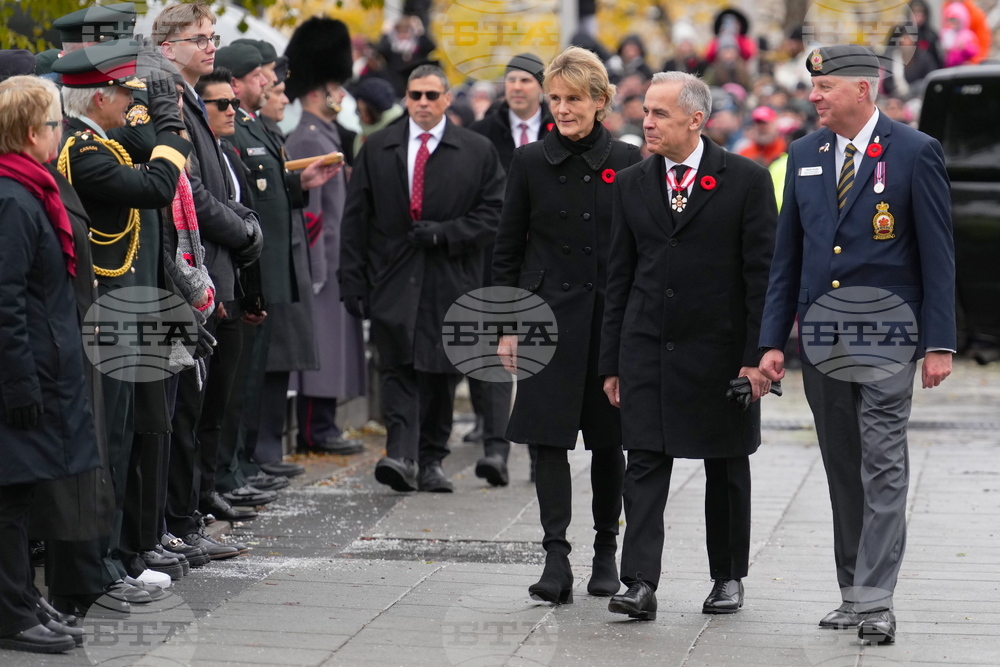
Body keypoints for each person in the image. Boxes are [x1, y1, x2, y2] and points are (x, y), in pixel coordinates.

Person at [758, 45, 955, 645]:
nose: (812, 97)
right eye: (812, 88)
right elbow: (785, 260)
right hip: (822, 338)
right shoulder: (803, 154)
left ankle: (877, 599)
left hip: (890, 335)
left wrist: (940, 342)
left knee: (884, 462)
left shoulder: (915, 152)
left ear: (862, 90)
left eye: (823, 88)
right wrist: (770, 343)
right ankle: (852, 593)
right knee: (843, 467)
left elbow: (938, 256)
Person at [599, 70, 776, 621]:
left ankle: (727, 577)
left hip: (722, 355)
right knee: (645, 465)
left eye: (659, 114)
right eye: (644, 111)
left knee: (725, 469)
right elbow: (619, 278)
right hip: (648, 348)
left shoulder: (745, 180)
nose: (646, 122)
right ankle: (639, 583)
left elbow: (761, 279)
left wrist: (758, 358)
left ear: (696, 120)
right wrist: (612, 363)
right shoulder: (631, 182)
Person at [491, 46, 641, 603]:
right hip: (543, 322)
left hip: (608, 324)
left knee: (609, 444)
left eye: (574, 98)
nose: (562, 108)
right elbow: (507, 249)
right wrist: (506, 324)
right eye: (555, 99)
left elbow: (641, 250)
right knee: (547, 441)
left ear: (600, 101)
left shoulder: (629, 161)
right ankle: (556, 557)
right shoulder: (529, 161)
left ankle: (606, 549)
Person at [340, 64, 505, 493]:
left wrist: (446, 233)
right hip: (393, 275)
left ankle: (431, 458)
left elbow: (494, 214)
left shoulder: (476, 150)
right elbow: (356, 220)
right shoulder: (378, 148)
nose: (424, 103)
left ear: (447, 99)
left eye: (433, 95)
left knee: (440, 372)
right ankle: (401, 454)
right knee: (396, 364)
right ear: (405, 99)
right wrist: (353, 280)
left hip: (450, 277)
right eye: (416, 95)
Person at [152, 1, 264, 553]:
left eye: (213, 36)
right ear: (168, 47)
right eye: (199, 37)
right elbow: (188, 193)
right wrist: (242, 231)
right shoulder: (167, 100)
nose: (211, 45)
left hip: (211, 269)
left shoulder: (190, 99)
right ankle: (179, 524)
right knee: (183, 413)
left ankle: (186, 518)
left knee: (199, 410)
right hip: (188, 275)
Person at [0, 74, 98, 656]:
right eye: (57, 124)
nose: (62, 134)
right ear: (34, 132)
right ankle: (12, 611)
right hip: (24, 374)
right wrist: (18, 382)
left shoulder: (28, 188)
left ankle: (20, 598)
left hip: (42, 366)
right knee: (9, 501)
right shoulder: (12, 199)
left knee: (23, 495)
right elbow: (5, 298)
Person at [468, 52, 554, 485]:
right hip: (495, 257)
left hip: (547, 263)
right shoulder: (481, 135)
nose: (516, 88)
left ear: (541, 87)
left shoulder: (563, 130)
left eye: (525, 80)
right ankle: (496, 450)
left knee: (538, 359)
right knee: (494, 356)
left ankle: (541, 455)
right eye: (511, 80)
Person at [284, 18, 368, 456]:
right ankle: (317, 427)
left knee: (333, 347)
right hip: (322, 262)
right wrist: (318, 268)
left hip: (336, 261)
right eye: (336, 86)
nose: (343, 94)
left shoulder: (324, 134)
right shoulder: (308, 138)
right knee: (322, 349)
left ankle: (325, 423)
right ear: (319, 90)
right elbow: (313, 215)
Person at [352, 76, 404, 157]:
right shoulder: (360, 139)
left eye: (368, 112)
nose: (364, 117)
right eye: (359, 111)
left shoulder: (397, 134)